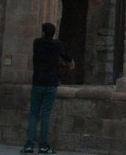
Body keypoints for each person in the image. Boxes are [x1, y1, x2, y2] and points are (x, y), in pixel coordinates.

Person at [22, 22, 74, 155]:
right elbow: (66, 56)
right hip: (51, 83)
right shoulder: (57, 45)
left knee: (34, 114)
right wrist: (70, 63)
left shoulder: (37, 43)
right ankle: (43, 146)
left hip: (38, 82)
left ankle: (29, 145)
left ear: (43, 32)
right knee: (45, 115)